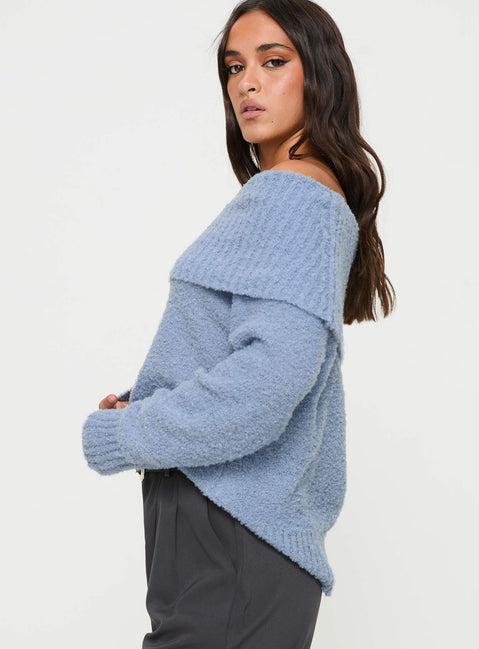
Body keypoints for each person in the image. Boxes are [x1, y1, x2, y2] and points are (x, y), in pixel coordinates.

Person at [82, 1, 395, 647]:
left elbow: (268, 382)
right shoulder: (305, 193)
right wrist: (150, 400)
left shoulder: (294, 195)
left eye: (273, 62)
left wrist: (124, 434)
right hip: (229, 530)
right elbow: (256, 358)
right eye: (234, 67)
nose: (247, 83)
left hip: (229, 528)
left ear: (320, 74)